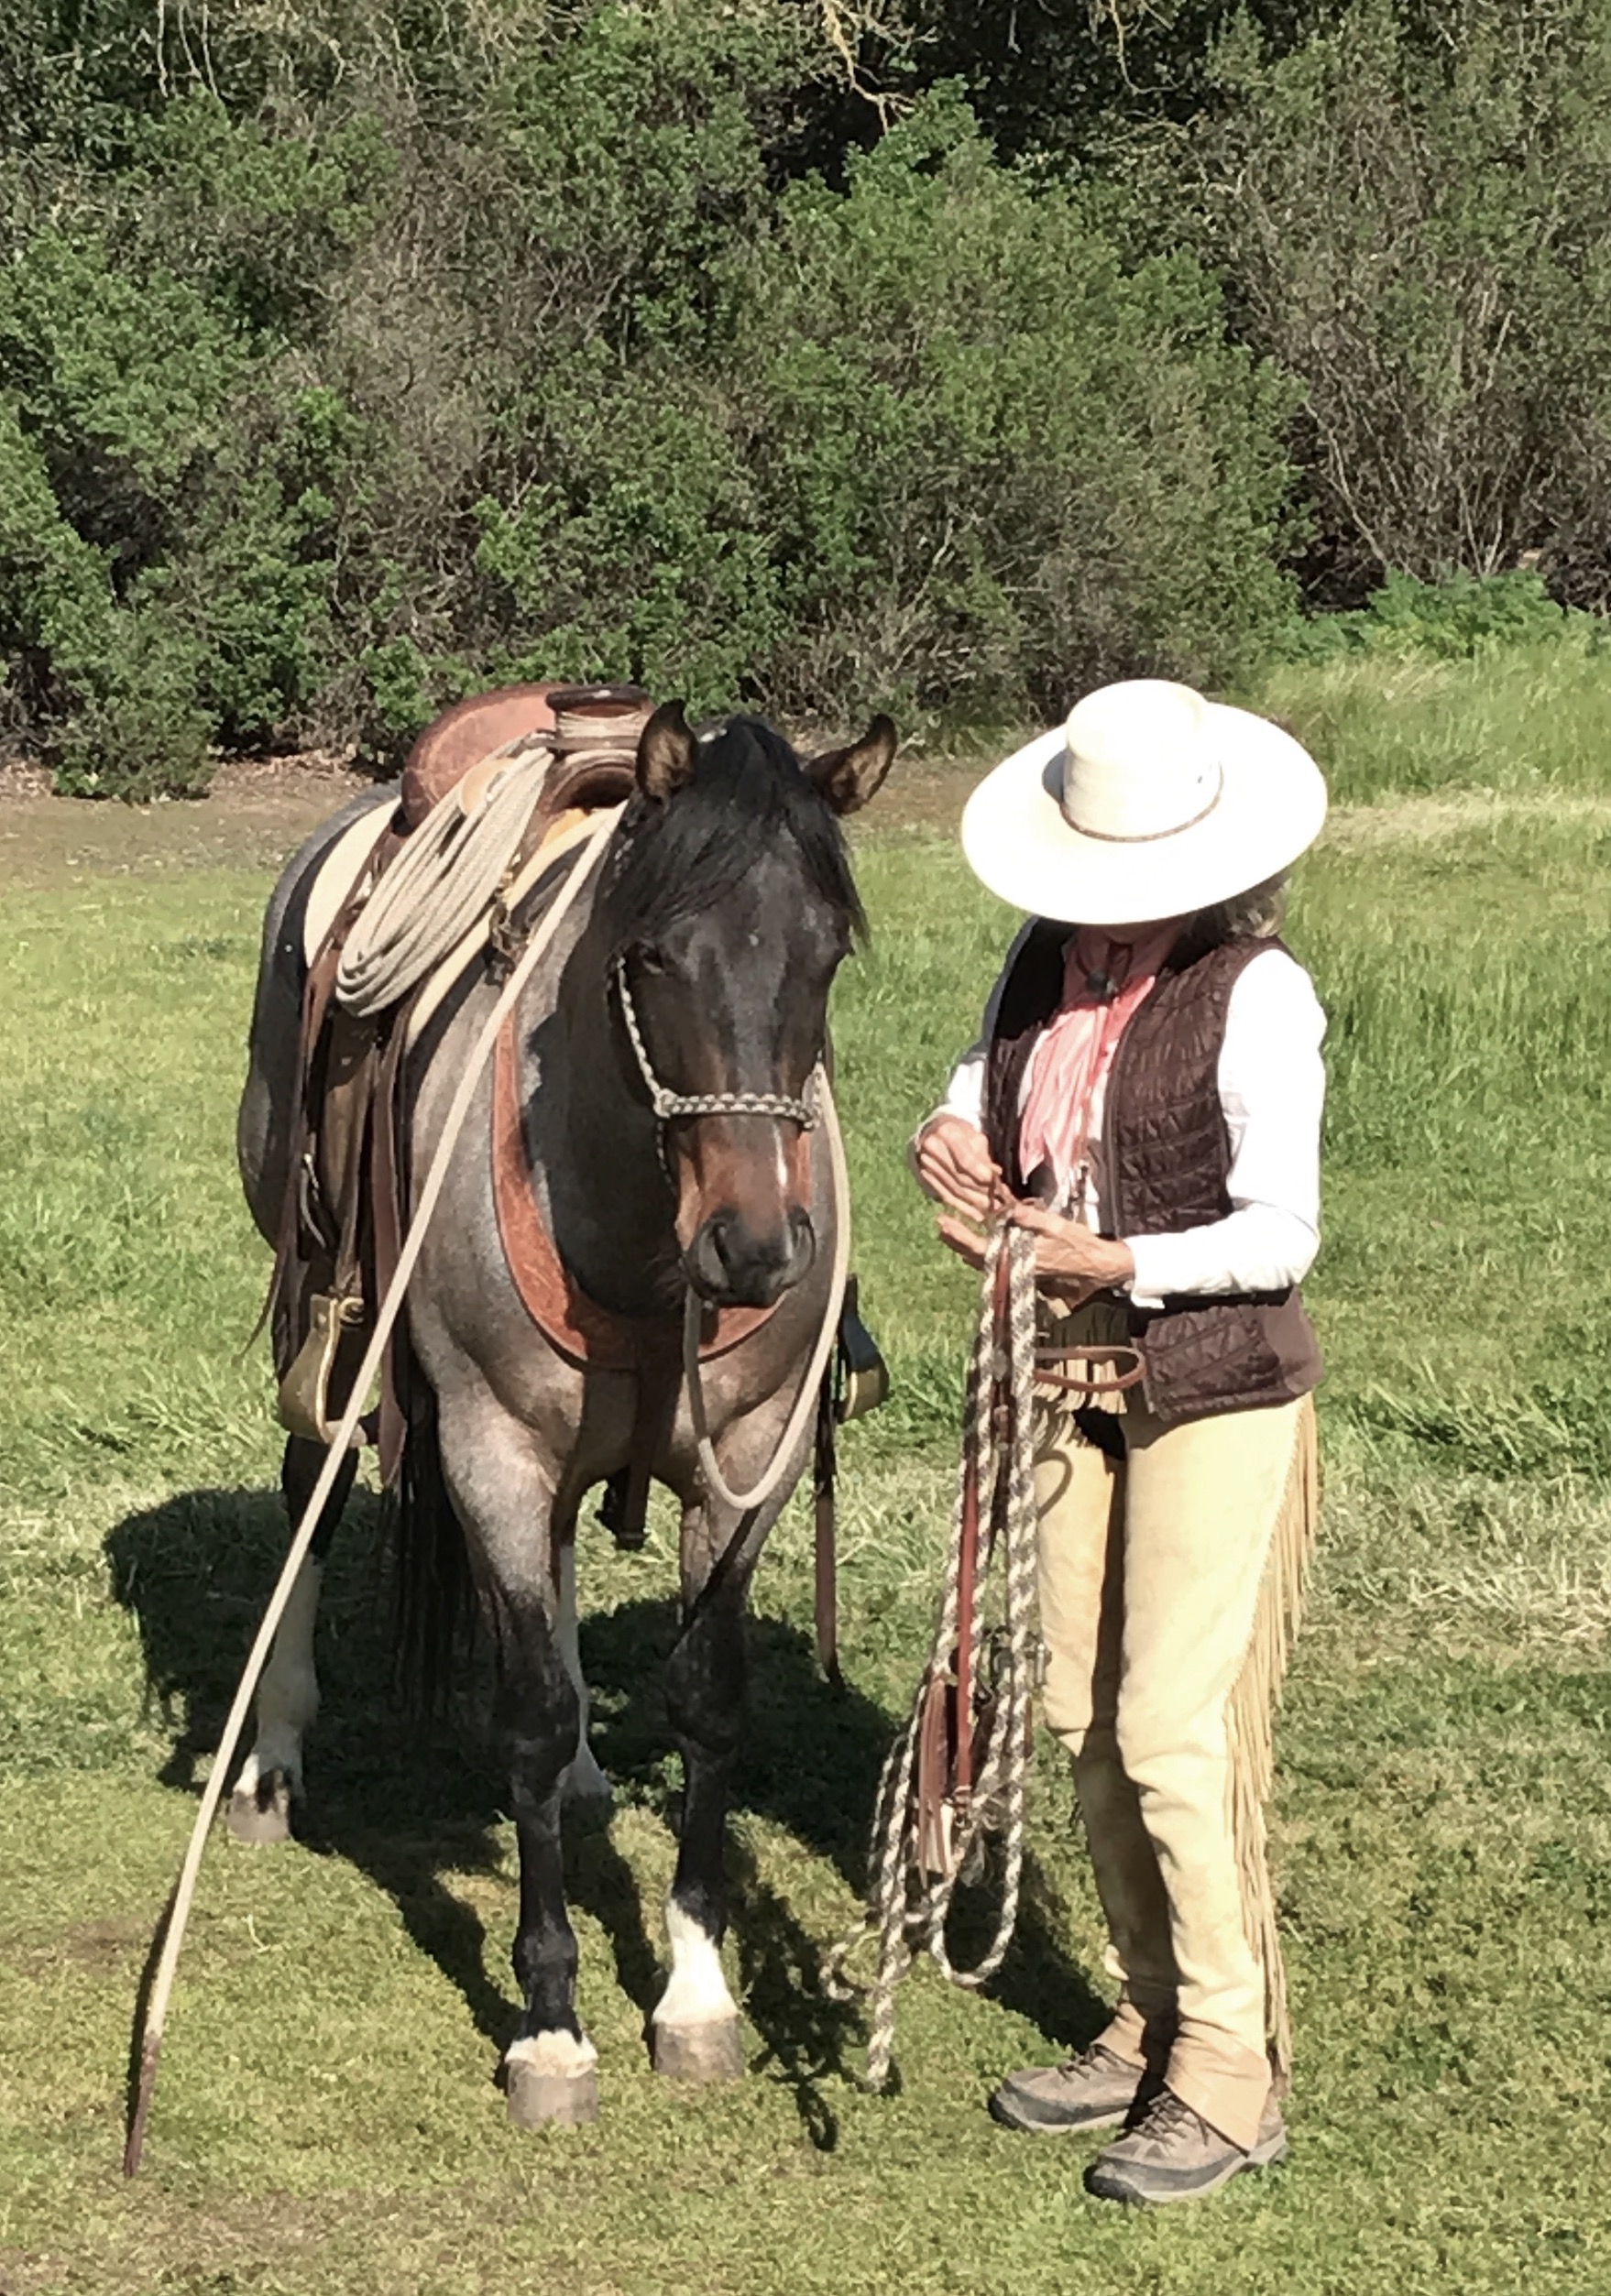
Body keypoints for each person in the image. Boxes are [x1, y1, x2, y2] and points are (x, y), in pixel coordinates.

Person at [914, 678, 1328, 2206]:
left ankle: (1227, 2067)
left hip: (1214, 1379)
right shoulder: (1044, 963)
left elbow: (1280, 1230)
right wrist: (950, 1138)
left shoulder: (1257, 994)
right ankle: (1146, 2012)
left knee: (1166, 1729)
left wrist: (1114, 1262)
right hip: (1064, 1372)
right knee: (1079, 1716)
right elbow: (981, 1094)